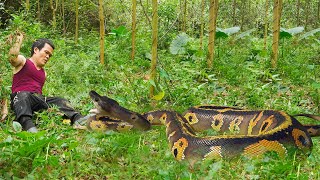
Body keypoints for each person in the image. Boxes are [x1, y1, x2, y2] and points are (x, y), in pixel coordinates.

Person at [8, 32, 86, 133]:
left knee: (60, 100)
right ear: (36, 50)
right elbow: (12, 58)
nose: (48, 56)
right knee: (23, 95)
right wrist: (18, 40)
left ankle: (78, 118)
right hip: (21, 99)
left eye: (50, 55)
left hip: (38, 100)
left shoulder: (44, 73)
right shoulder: (23, 62)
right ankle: (27, 125)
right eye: (46, 52)